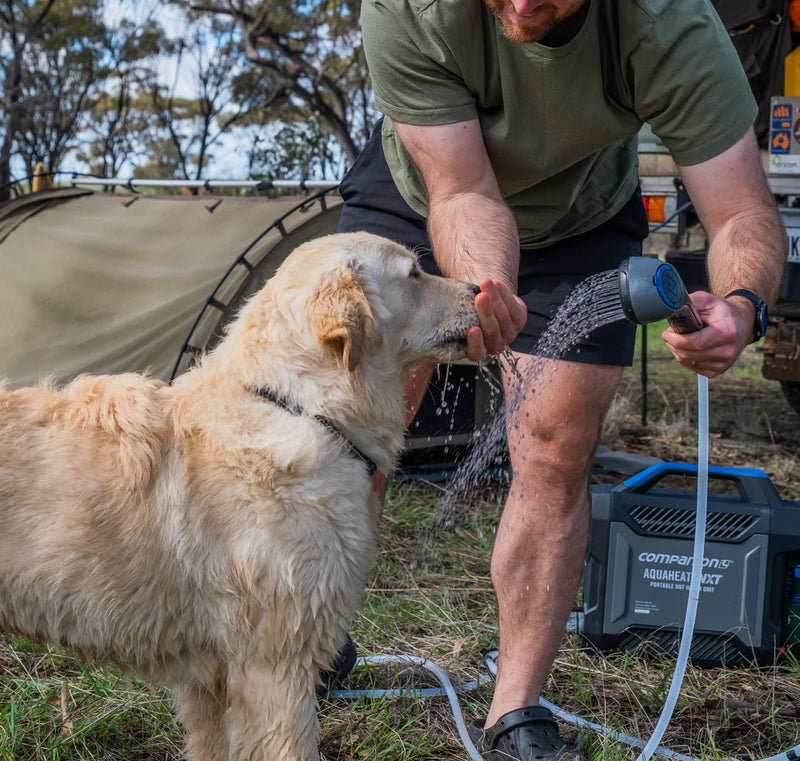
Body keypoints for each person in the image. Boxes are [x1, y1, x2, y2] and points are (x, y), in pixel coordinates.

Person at [335, 1, 787, 759]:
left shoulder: (670, 22)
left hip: (581, 216)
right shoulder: (408, 7)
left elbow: (741, 209)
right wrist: (487, 293)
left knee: (555, 449)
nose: (519, 5)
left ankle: (515, 711)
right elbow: (463, 191)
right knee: (356, 431)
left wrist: (741, 305)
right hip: (424, 193)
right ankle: (314, 641)